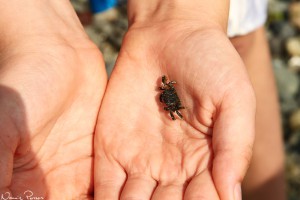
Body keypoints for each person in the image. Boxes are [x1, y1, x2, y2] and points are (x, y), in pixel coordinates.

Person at [0, 0, 285, 200]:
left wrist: (182, 17)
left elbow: (167, 98)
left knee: (237, 39)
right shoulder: (167, 95)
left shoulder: (168, 93)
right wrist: (34, 33)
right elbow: (166, 99)